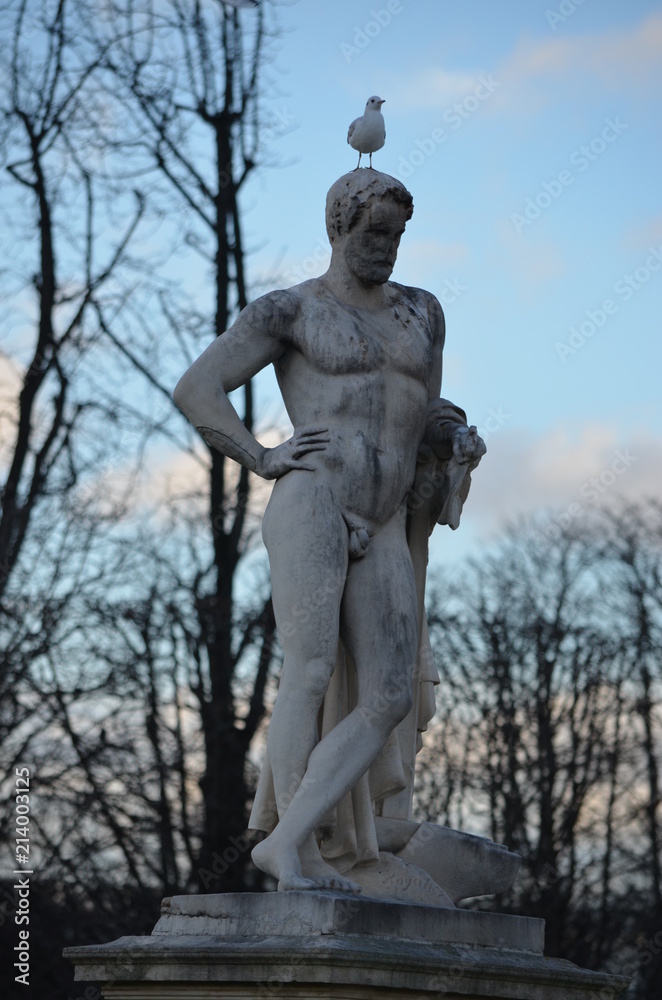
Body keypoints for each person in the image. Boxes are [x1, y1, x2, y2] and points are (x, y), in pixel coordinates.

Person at [174, 170, 486, 895]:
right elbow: (197, 389)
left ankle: (285, 839)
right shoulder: (290, 310)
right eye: (376, 233)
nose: (388, 248)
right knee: (310, 673)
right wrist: (259, 456)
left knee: (388, 696)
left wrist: (455, 434)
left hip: (381, 517)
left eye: (398, 235)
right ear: (340, 227)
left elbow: (424, 407)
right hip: (314, 497)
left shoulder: (423, 313)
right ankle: (296, 851)